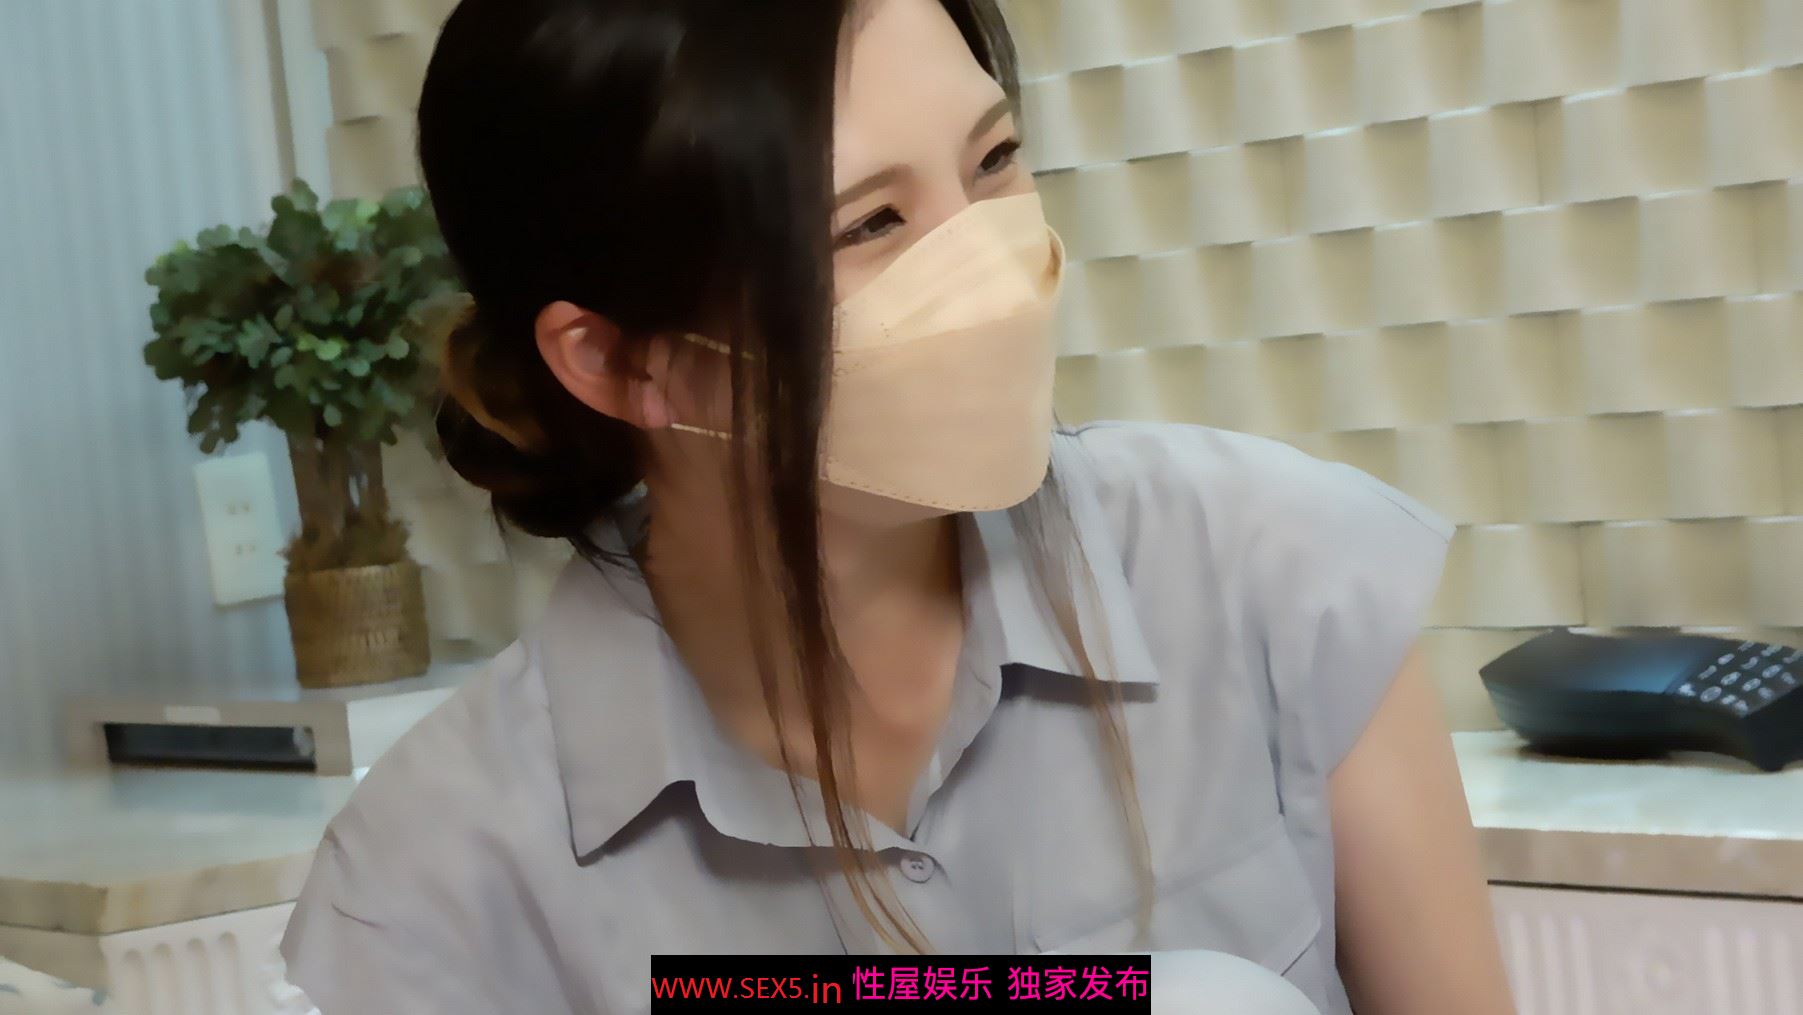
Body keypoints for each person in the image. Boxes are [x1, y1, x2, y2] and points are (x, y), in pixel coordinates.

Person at [279, 1, 1517, 1013]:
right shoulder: (432, 879)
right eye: (870, 223)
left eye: (994, 161)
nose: (990, 270)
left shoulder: (1270, 569)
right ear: (618, 360)